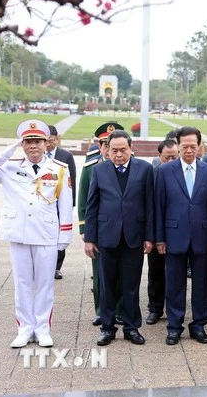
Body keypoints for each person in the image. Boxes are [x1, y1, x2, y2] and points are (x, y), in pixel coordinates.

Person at [0, 120, 73, 348]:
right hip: (18, 232)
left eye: (37, 141)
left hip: (46, 233)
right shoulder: (9, 166)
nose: (33, 146)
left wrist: (64, 236)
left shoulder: (59, 168)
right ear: (22, 143)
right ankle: (24, 328)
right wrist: (9, 151)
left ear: (46, 143)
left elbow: (66, 205)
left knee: (45, 283)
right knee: (22, 283)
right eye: (28, 142)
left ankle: (43, 329)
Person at [84, 130, 155, 346]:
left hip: (134, 237)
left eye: (123, 149)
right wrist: (89, 238)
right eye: (114, 150)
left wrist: (149, 237)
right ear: (107, 150)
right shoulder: (99, 170)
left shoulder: (145, 169)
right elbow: (92, 205)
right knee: (106, 284)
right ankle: (107, 328)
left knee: (131, 285)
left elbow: (150, 205)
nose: (119, 154)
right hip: (107, 237)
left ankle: (132, 328)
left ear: (131, 149)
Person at [155, 127, 207, 345]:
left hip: (202, 236)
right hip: (174, 236)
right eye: (185, 146)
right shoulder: (165, 171)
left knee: (201, 284)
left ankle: (199, 325)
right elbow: (159, 207)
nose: (189, 150)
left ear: (200, 146)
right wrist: (160, 239)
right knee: (175, 284)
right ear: (178, 146)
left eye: (193, 146)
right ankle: (174, 326)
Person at [78, 122, 125, 327]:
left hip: (124, 230)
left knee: (123, 273)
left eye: (111, 143)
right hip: (100, 230)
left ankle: (122, 310)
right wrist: (85, 230)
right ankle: (101, 310)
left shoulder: (130, 166)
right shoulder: (91, 168)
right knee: (100, 274)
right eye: (104, 144)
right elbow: (83, 201)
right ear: (100, 146)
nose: (108, 148)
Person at [145, 138, 179, 326]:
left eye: (175, 157)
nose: (171, 161)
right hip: (158, 232)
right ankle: (156, 308)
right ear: (159, 157)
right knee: (156, 272)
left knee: (177, 273)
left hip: (179, 233)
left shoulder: (184, 173)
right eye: (167, 158)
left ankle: (175, 309)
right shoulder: (154, 174)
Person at [45, 125, 77, 280]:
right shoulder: (37, 155)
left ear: (57, 139)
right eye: (46, 141)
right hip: (44, 203)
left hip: (60, 203)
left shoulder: (66, 156)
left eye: (52, 141)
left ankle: (57, 267)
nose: (49, 144)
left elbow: (72, 181)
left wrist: (71, 204)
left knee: (60, 235)